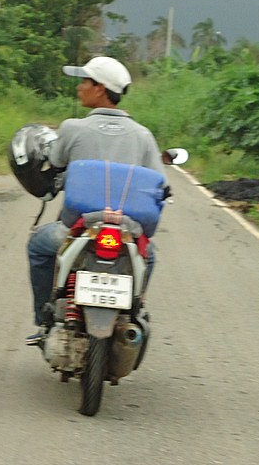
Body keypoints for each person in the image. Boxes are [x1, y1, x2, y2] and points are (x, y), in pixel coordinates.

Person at [25, 56, 166, 345]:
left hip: (76, 229)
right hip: (125, 233)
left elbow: (55, 161)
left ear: (100, 89)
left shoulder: (73, 128)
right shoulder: (143, 135)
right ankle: (134, 311)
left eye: (85, 81)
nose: (80, 88)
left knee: (38, 246)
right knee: (148, 257)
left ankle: (44, 320)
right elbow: (159, 183)